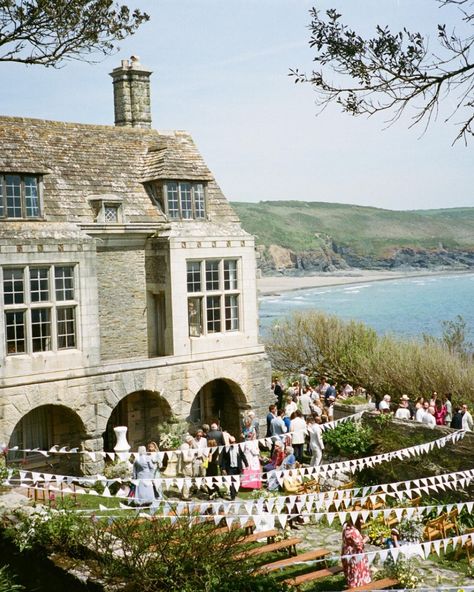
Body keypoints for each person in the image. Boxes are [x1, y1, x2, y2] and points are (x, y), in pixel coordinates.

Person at [341, 516, 372, 588]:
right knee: (357, 570)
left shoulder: (346, 526)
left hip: (348, 553)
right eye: (361, 519)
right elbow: (359, 545)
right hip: (355, 554)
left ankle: (355, 585)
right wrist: (366, 539)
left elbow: (350, 540)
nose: (363, 522)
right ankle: (357, 587)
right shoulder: (353, 530)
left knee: (352, 571)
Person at [219, 435, 248, 499]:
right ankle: (233, 496)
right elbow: (224, 459)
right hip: (230, 468)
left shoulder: (238, 446)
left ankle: (234, 492)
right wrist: (223, 468)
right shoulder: (226, 448)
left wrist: (246, 464)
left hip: (237, 467)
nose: (233, 443)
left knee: (237, 481)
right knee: (231, 481)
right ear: (229, 442)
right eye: (232, 442)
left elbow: (242, 456)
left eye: (234, 442)